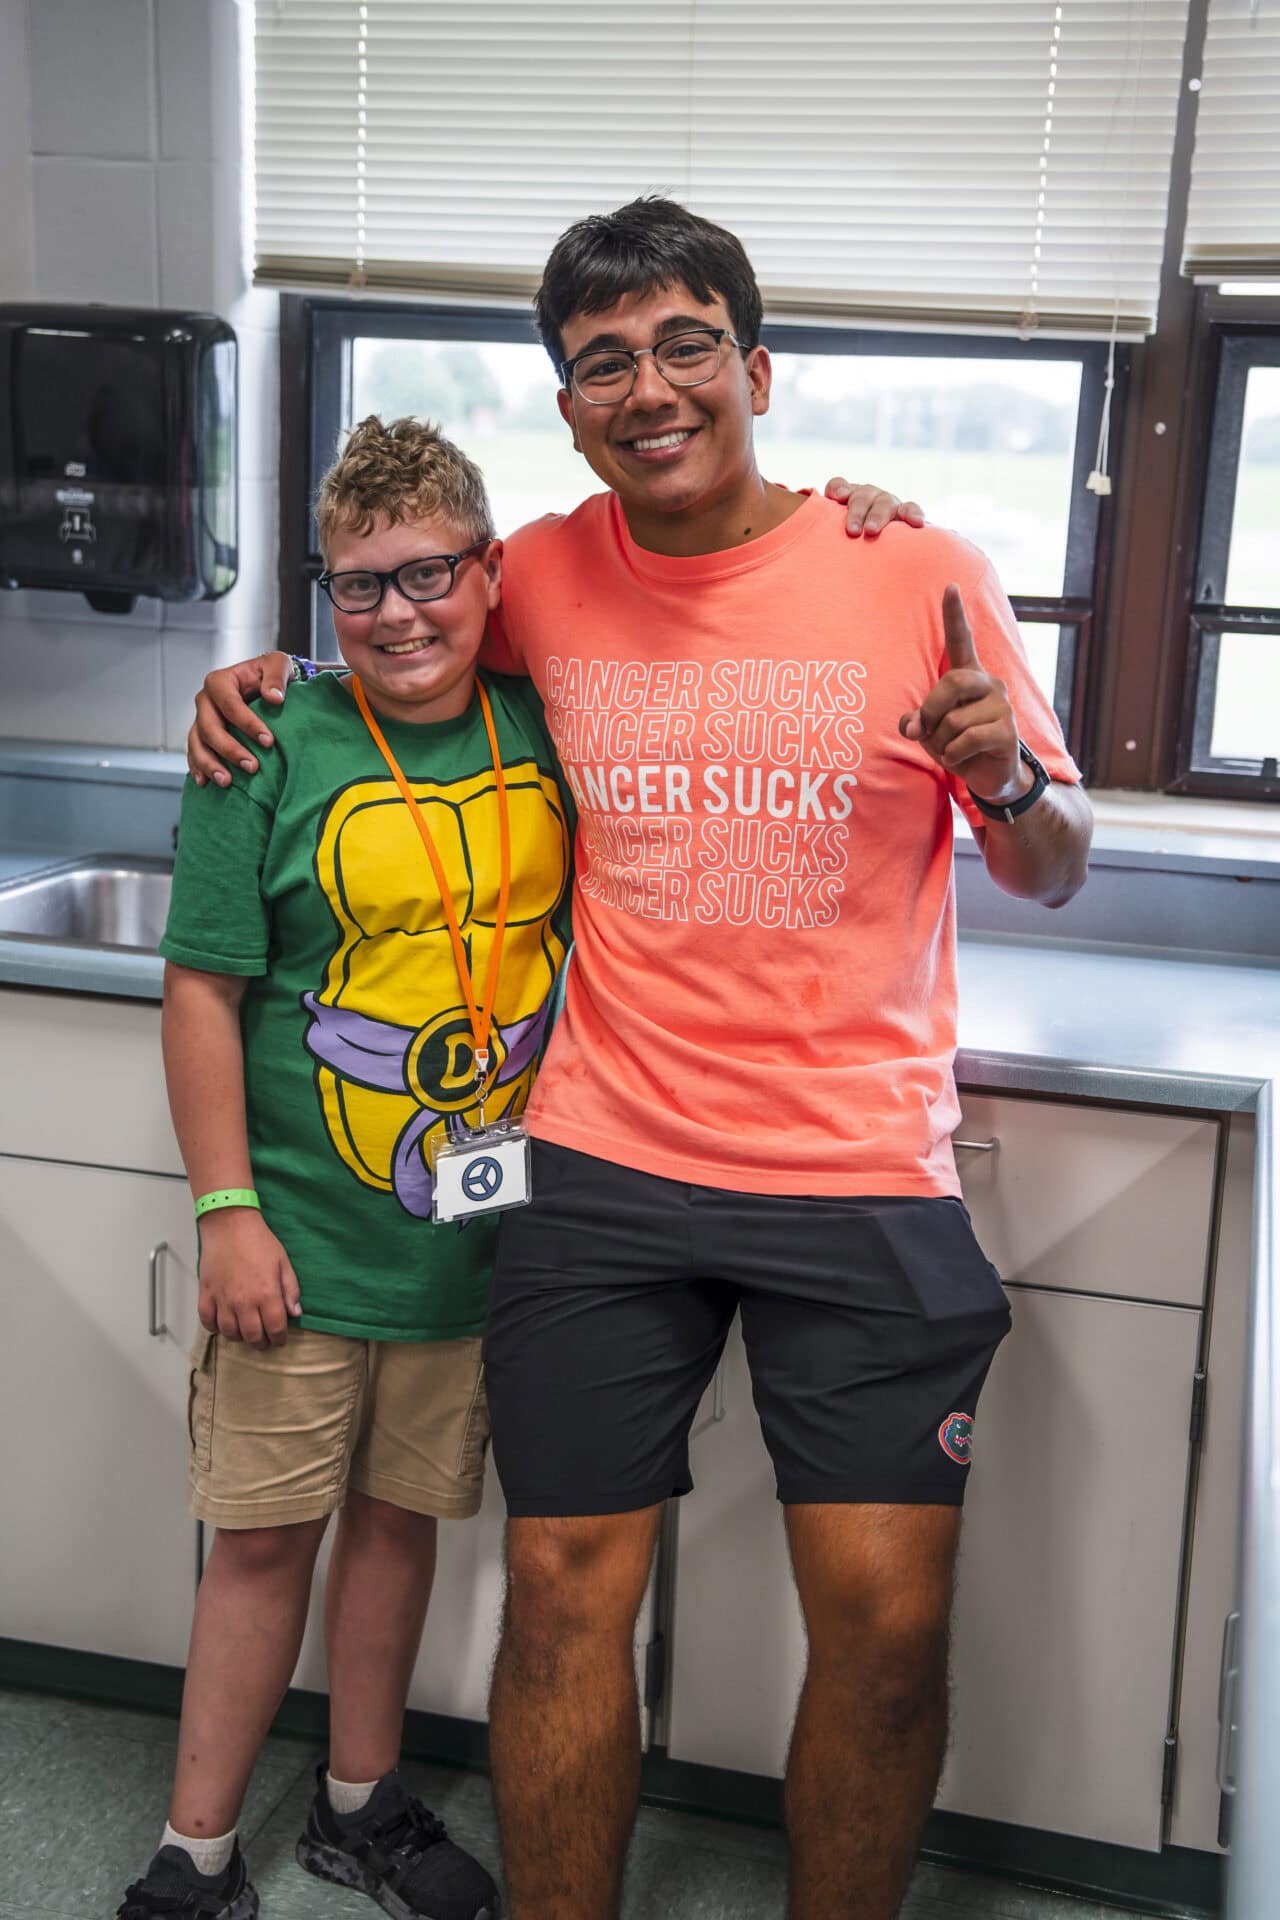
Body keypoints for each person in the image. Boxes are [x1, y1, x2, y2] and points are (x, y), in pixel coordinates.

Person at [190, 198, 1092, 1920]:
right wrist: (264, 676)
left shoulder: (916, 571)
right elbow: (407, 636)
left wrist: (1019, 784)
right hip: (603, 1166)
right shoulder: (542, 573)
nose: (649, 385)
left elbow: (1052, 866)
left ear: (755, 368)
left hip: (856, 1168)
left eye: (686, 345)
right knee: (561, 1592)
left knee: (893, 1630)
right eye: (603, 361)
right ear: (571, 404)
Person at [119, 417, 575, 1920]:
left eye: (429, 573)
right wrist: (228, 1212)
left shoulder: (550, 720)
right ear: (324, 597)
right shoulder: (265, 741)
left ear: (491, 570)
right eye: (358, 586)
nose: (398, 614)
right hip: (299, 1244)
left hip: (469, 1241)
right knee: (261, 1544)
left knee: (397, 1525)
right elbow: (201, 990)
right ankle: (194, 1855)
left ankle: (361, 1805)